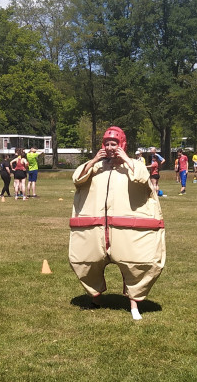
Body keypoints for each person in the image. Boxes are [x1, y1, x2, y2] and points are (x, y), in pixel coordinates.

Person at [69, 126, 165, 321]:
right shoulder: (96, 166)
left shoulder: (134, 165)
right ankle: (95, 298)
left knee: (137, 262)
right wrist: (94, 160)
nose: (110, 147)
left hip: (127, 229)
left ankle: (134, 305)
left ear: (122, 145)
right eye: (107, 144)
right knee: (86, 260)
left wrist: (126, 160)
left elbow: (142, 178)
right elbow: (77, 179)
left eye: (114, 144)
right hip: (96, 228)